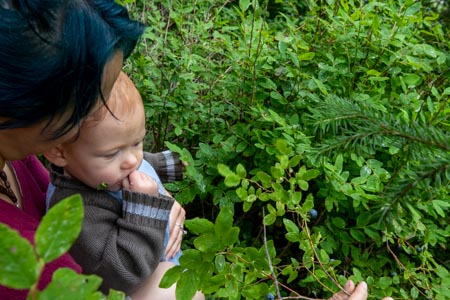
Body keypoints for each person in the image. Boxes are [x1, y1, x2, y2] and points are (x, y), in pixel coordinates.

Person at [0, 0, 387, 299]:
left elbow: (123, 159)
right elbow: (120, 266)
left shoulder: (28, 150)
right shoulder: (37, 251)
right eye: (83, 104)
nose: (95, 115)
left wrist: (161, 176)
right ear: (20, 106)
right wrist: (149, 211)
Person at [44, 71, 197, 297]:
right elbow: (121, 272)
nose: (133, 160)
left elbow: (137, 160)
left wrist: (166, 165)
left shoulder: (100, 169)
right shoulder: (75, 212)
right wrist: (145, 206)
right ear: (58, 152)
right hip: (133, 284)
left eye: (137, 142)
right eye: (112, 153)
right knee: (179, 287)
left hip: (158, 257)